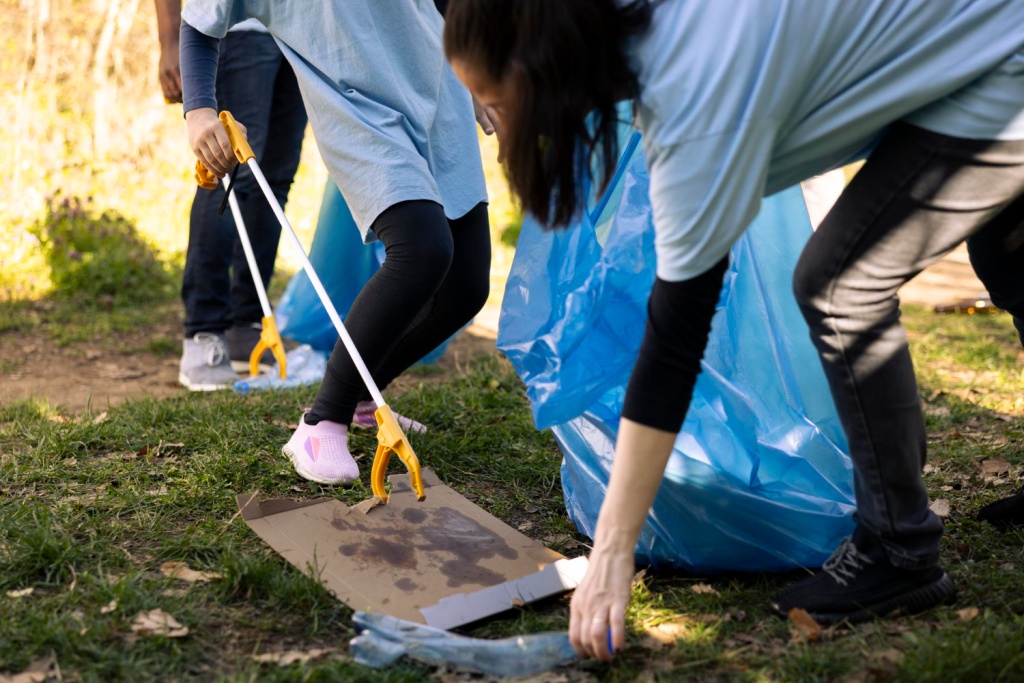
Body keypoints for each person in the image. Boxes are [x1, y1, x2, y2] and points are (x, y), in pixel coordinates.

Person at [442, 0, 1024, 660]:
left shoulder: (694, 102)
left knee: (839, 285)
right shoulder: (642, 27)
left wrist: (611, 551)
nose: (488, 125)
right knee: (1010, 258)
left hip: (1003, 66)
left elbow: (674, 342)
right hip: (987, 42)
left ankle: (901, 547)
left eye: (489, 103)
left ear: (540, 76)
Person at [180, 0, 491, 484]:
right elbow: (199, 23)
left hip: (439, 93)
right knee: (422, 249)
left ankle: (367, 395)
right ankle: (322, 420)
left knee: (468, 287)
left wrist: (467, 66)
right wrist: (198, 112)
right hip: (359, 109)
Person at [156, 0, 308, 391]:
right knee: (227, 171)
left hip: (297, 36)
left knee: (274, 180)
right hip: (234, 30)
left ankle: (247, 327)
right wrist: (170, 41)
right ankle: (203, 334)